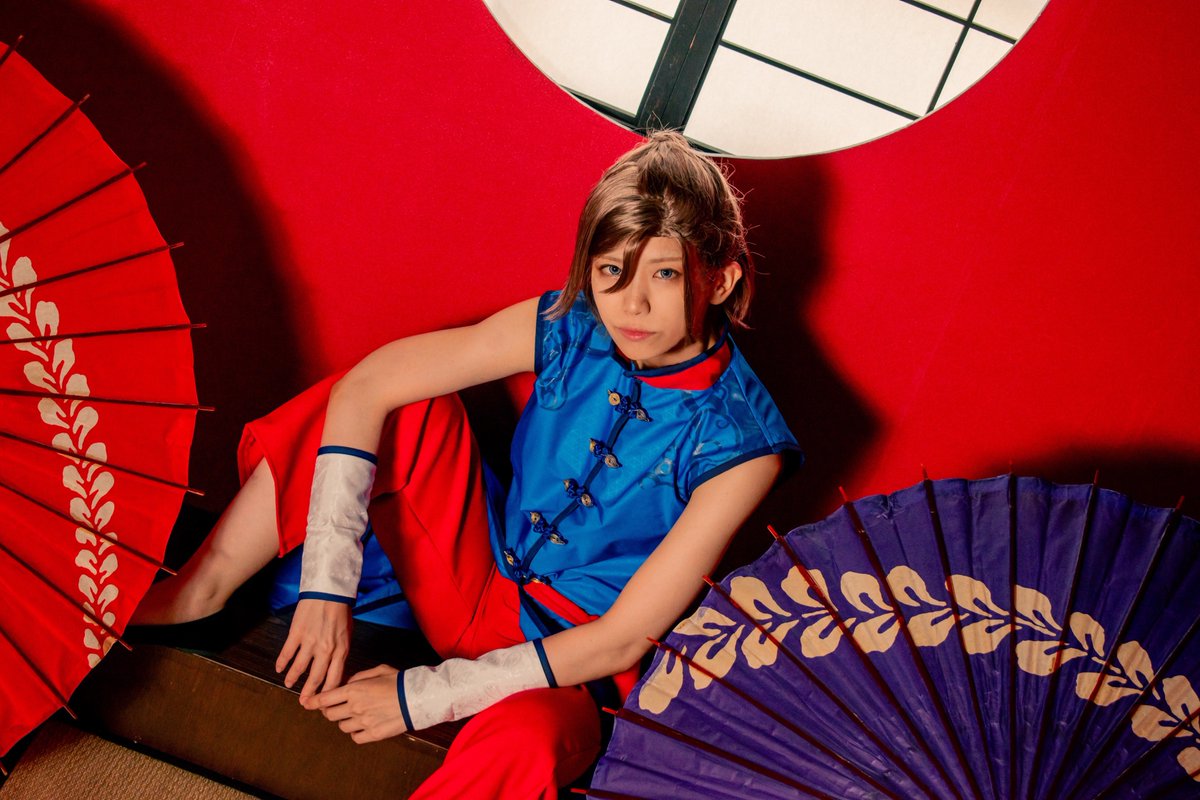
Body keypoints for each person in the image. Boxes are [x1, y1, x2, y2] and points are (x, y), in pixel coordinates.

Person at [132, 131, 800, 798]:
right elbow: (367, 387)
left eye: (664, 274)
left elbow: (621, 642)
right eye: (610, 271)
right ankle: (202, 589)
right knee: (409, 403)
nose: (632, 304)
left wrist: (420, 696)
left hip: (571, 667)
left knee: (528, 746)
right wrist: (326, 587)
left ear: (720, 279)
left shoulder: (743, 444)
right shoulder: (570, 324)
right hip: (476, 581)